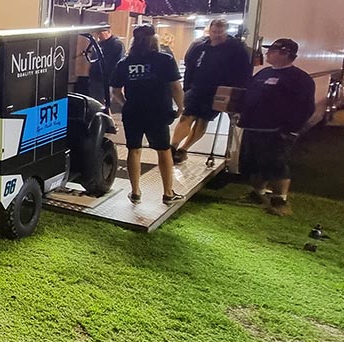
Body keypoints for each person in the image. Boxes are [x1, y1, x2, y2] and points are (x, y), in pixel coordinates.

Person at [237, 38, 315, 216]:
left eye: (272, 50)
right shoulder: (263, 74)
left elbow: (306, 107)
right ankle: (257, 194)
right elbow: (248, 96)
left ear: (286, 53)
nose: (267, 53)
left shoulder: (300, 79)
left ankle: (280, 200)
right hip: (254, 128)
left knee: (276, 164)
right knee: (254, 163)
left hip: (277, 131)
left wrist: (291, 129)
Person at [110, 24, 185, 205]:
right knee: (163, 150)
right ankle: (168, 193)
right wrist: (181, 108)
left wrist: (126, 104)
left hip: (133, 112)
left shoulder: (125, 63)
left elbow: (116, 91)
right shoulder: (165, 60)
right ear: (154, 40)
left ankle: (135, 192)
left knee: (134, 150)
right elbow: (175, 87)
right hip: (158, 111)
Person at [171, 18, 250, 163]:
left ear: (226, 31)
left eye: (220, 32)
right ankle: (173, 147)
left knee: (203, 120)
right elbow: (190, 66)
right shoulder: (200, 46)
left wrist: (235, 92)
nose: (217, 35)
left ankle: (184, 149)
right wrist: (187, 86)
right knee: (187, 116)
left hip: (219, 91)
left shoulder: (236, 48)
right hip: (197, 88)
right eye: (214, 32)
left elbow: (243, 72)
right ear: (210, 31)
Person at [86, 24, 124, 111]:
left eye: (101, 33)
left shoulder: (117, 44)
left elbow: (116, 62)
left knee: (103, 103)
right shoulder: (98, 44)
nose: (99, 35)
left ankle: (107, 121)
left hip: (106, 78)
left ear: (108, 32)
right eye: (97, 33)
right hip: (95, 77)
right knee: (96, 101)